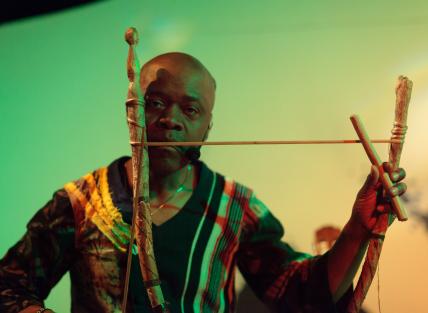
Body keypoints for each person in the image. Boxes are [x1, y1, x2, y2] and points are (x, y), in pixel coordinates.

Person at [0, 52, 406, 313]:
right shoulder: (82, 201)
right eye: (155, 103)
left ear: (207, 126)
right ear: (132, 112)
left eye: (190, 109)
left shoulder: (233, 207)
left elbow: (301, 294)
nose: (170, 120)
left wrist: (357, 229)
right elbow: (8, 288)